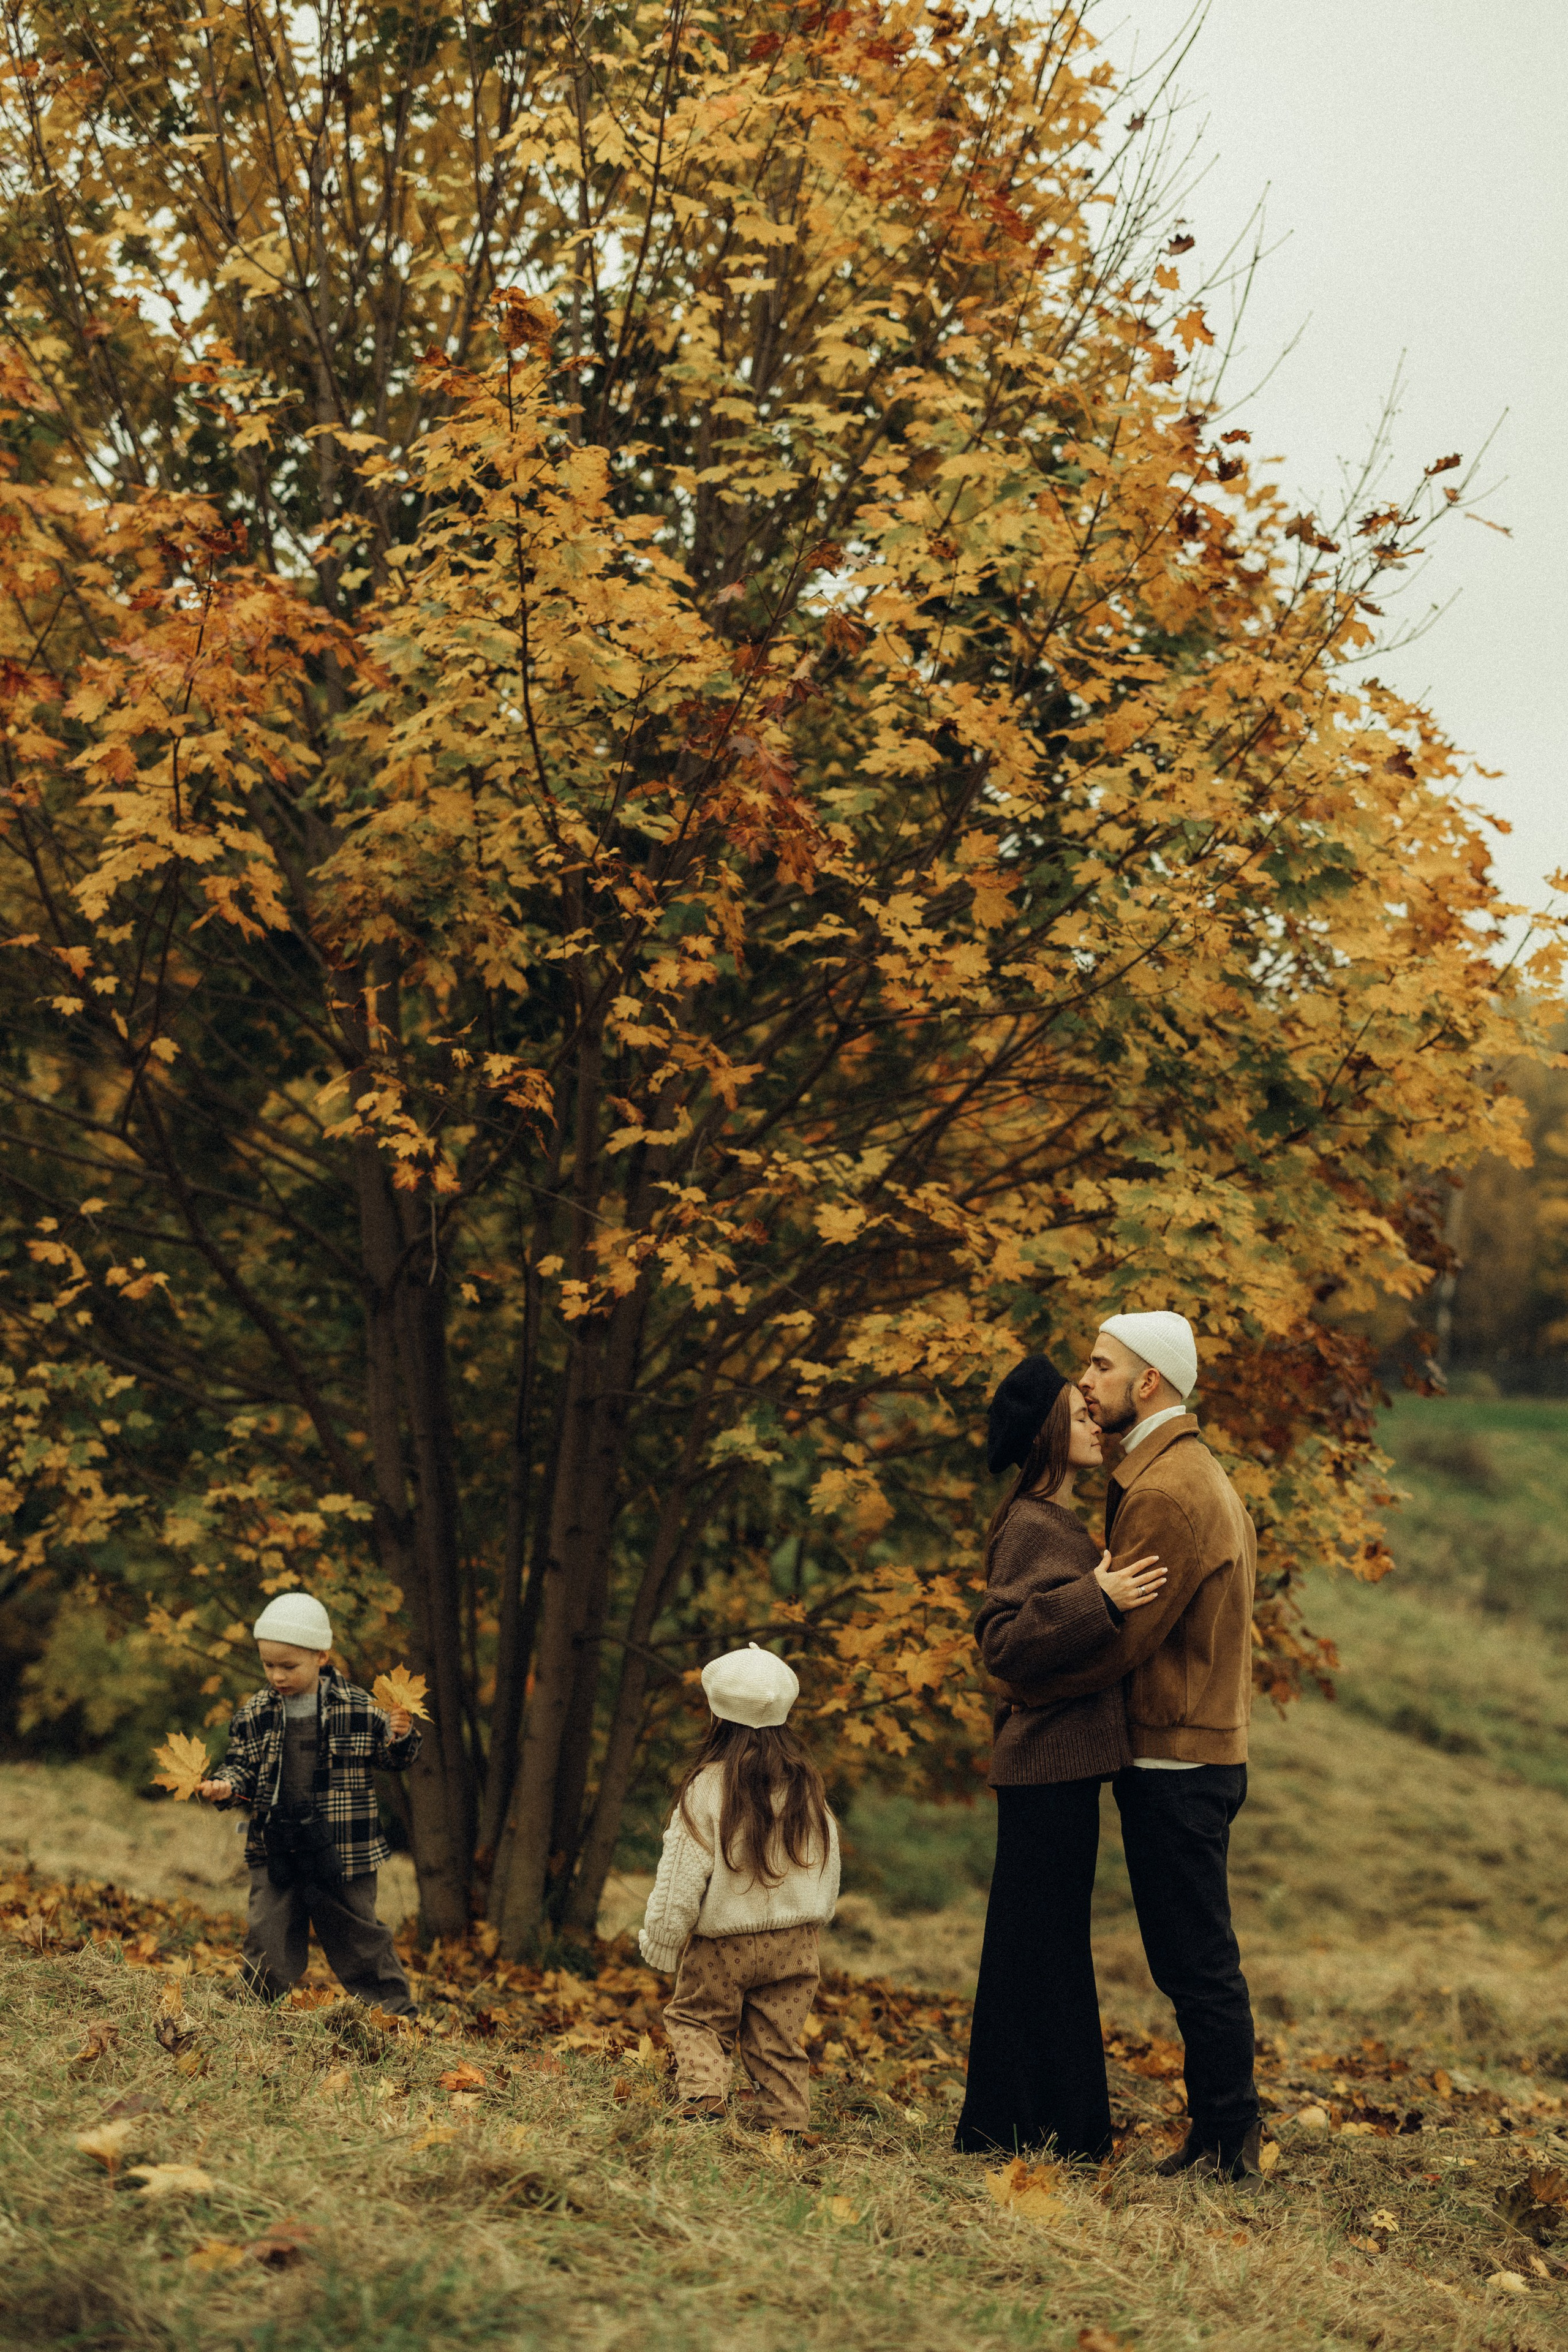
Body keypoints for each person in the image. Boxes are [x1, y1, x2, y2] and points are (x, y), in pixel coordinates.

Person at [997, 1311, 1263, 2183]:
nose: (1087, 1379)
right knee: (1192, 1957)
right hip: (1194, 1751)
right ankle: (1220, 2136)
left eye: (1101, 1366)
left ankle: (1229, 2144)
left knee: (1195, 1961)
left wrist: (1023, 1688)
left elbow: (1118, 1647)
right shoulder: (1184, 1473)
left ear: (1147, 1382)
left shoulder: (1164, 1493)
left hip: (1176, 1758)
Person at [954, 1355, 1167, 2162]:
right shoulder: (1031, 1524)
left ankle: (1033, 2124)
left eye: (1088, 1407)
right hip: (1045, 1769)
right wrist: (1099, 1599)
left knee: (1040, 1943)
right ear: (1045, 1431)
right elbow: (1005, 1642)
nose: (1091, 1417)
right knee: (1036, 1945)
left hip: (1062, 1768)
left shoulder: (1061, 1521)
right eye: (1075, 1412)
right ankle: (1041, 2130)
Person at [638, 1643, 840, 2133]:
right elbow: (827, 1864)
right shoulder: (807, 1787)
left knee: (698, 2019)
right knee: (778, 2039)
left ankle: (705, 2101)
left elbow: (681, 1875)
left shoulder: (707, 1786)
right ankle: (786, 2122)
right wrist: (816, 1915)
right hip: (795, 1942)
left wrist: (663, 1938)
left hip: (722, 1944)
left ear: (716, 1716)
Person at [197, 1591, 421, 2019]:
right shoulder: (255, 1713)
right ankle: (256, 2011)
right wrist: (226, 1786)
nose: (277, 1676)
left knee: (357, 1929)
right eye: (269, 1666)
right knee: (267, 1928)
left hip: (343, 1846)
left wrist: (400, 1734)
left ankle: (391, 2015)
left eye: (289, 1666)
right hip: (277, 1841)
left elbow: (396, 1759)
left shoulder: (360, 1707)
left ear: (322, 1656)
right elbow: (240, 1766)